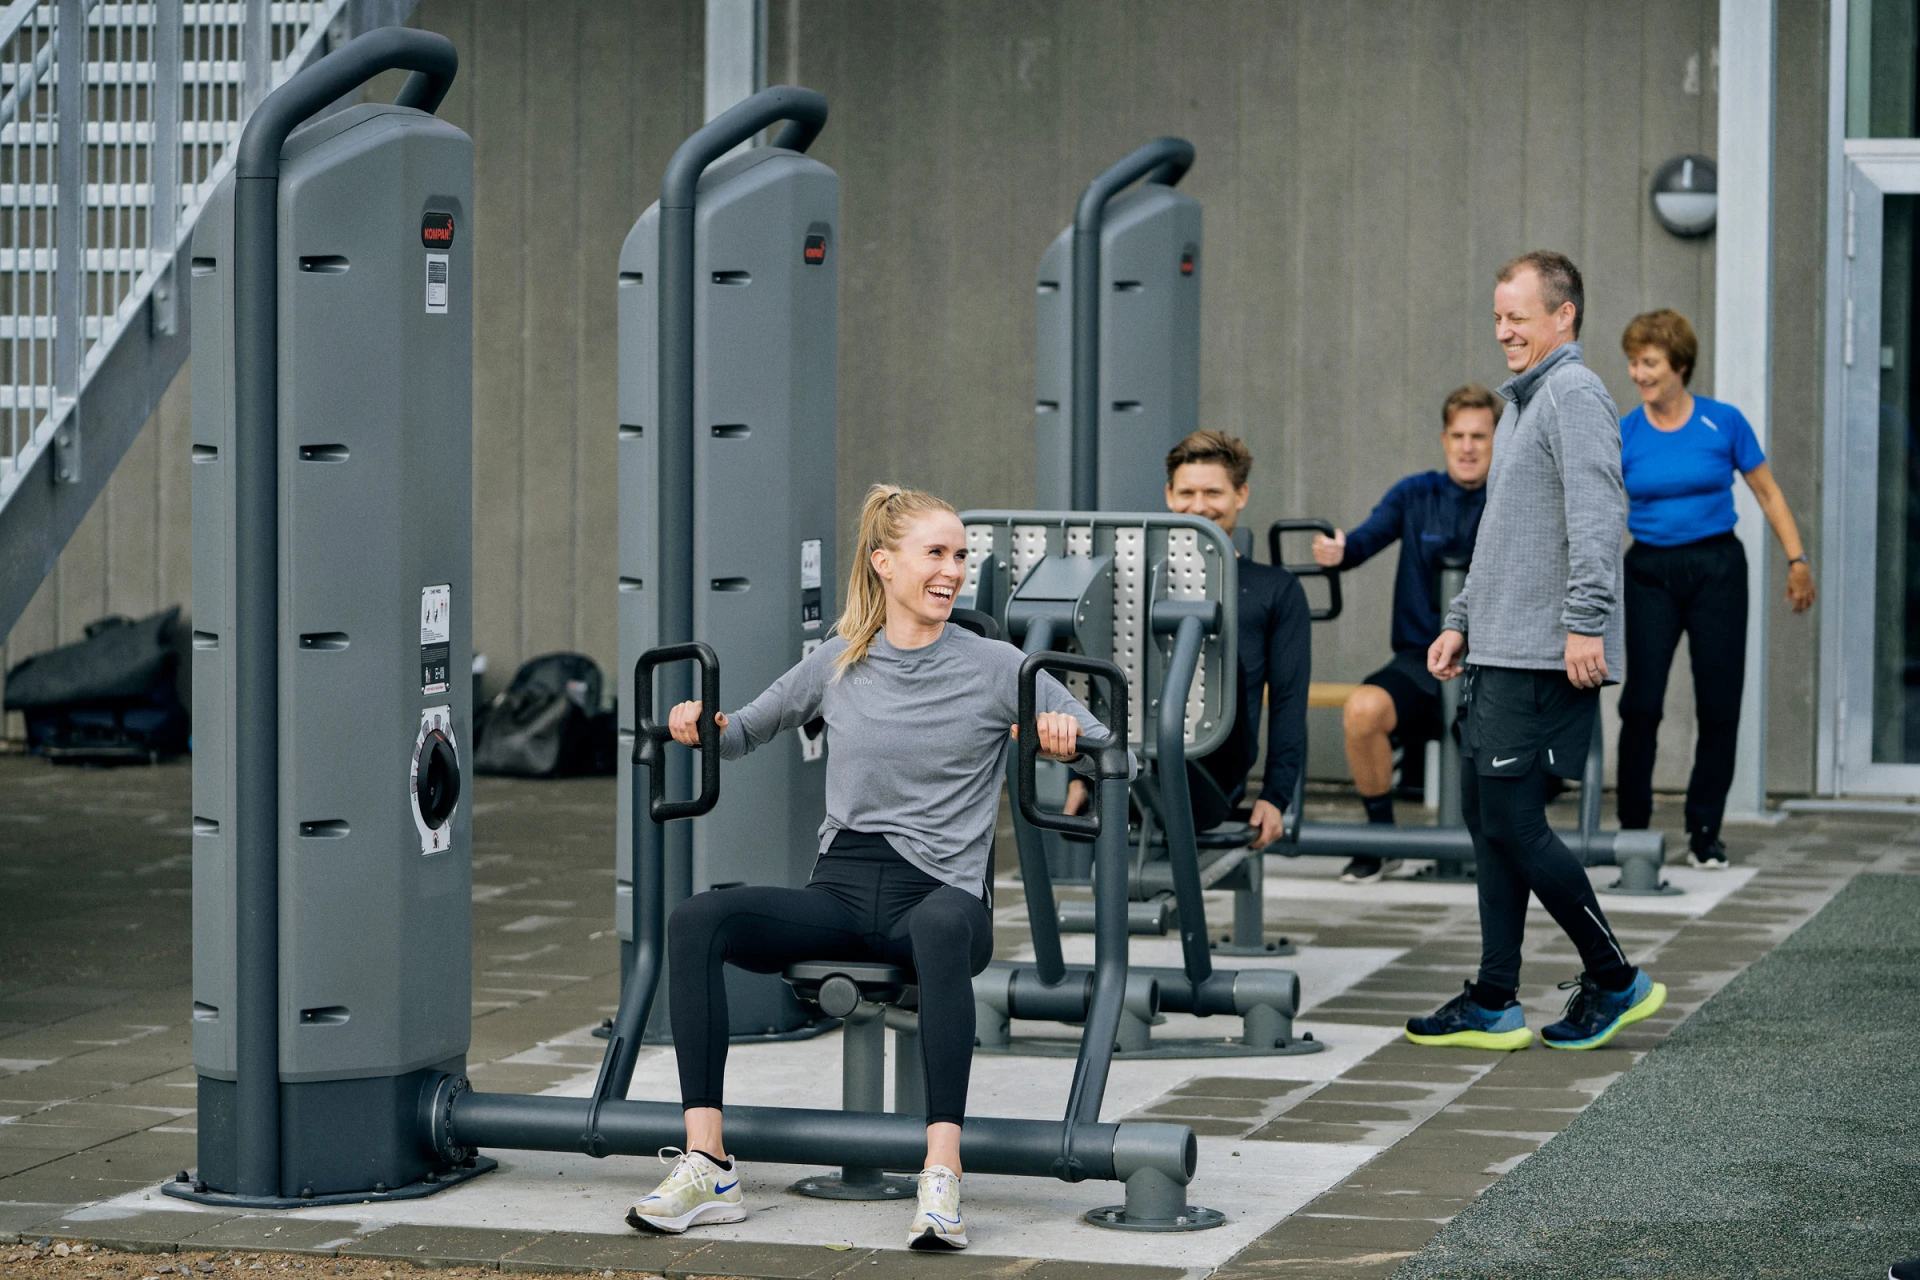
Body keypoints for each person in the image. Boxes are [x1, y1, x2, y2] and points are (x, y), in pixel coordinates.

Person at [627, 484, 1125, 1250]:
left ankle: (941, 1175)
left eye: (961, 556)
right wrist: (697, 725)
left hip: (945, 901)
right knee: (697, 918)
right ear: (884, 563)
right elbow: (742, 733)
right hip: (846, 891)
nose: (953, 570)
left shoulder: (1001, 666)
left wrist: (1063, 733)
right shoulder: (839, 660)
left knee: (934, 924)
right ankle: (708, 1160)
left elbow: (1113, 745)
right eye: (936, 553)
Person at [1409, 250, 1666, 1052]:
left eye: (1518, 316)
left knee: (1517, 823)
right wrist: (1460, 620)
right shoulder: (1522, 404)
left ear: (1564, 316)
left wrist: (1587, 621)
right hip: (1500, 651)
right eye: (1497, 317)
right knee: (1490, 819)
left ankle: (1616, 977)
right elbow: (1501, 538)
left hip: (1546, 657)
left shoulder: (1576, 393)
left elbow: (1598, 513)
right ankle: (1493, 998)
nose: (1503, 330)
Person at [1615, 308, 1815, 869]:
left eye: (1649, 362)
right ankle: (1632, 831)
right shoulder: (1625, 431)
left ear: (1679, 365)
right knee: (1642, 704)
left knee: (1719, 705)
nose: (1638, 373)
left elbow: (1768, 494)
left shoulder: (1722, 422)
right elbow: (1598, 506)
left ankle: (1705, 832)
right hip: (1650, 571)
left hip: (1717, 569)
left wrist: (1796, 560)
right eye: (1633, 362)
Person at [1066, 431, 1310, 847]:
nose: (1198, 507)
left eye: (1213, 492)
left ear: (1241, 495)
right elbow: (1098, 680)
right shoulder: (1133, 581)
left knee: (1221, 656)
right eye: (1187, 492)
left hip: (1210, 774)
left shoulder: (1276, 589)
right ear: (1168, 494)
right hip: (1122, 763)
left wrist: (1275, 795)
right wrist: (1078, 777)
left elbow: (1289, 701)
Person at [1312, 385, 1495, 883]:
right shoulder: (1416, 494)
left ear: (1498, 439)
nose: (1468, 446)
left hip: (1493, 664)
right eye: (1458, 435)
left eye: (1480, 435)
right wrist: (1338, 550)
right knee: (1363, 710)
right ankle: (1383, 841)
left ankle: (1499, 851)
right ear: (1443, 439)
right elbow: (1364, 538)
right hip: (1421, 662)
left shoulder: (1512, 496)